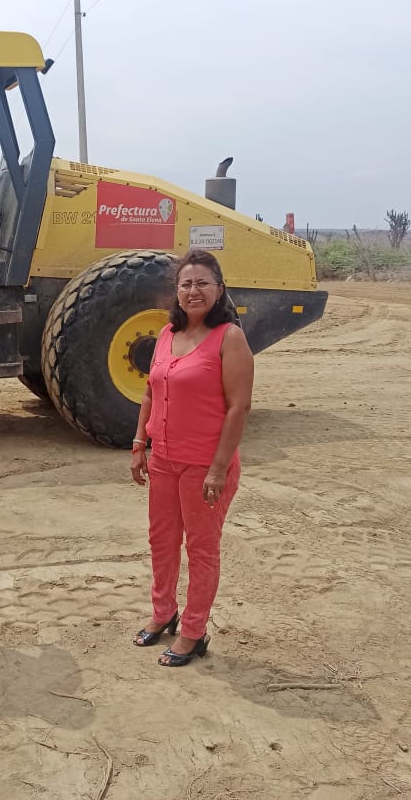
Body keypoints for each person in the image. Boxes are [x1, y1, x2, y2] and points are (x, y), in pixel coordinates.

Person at [130, 248, 254, 667]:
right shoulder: (168, 333)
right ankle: (163, 612)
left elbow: (239, 407)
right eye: (186, 284)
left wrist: (218, 469)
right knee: (161, 541)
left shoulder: (229, 338)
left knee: (201, 549)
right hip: (163, 459)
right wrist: (139, 444)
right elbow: (150, 391)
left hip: (205, 466)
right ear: (177, 291)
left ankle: (194, 631)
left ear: (219, 290)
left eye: (203, 283)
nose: (193, 290)